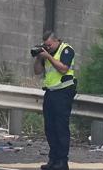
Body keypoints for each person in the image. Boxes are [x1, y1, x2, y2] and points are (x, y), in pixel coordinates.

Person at [33, 31, 77, 170]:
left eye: (49, 45)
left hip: (63, 92)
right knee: (50, 128)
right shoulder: (47, 53)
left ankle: (62, 162)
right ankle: (53, 160)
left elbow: (64, 69)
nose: (48, 47)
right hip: (50, 92)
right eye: (45, 45)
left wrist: (48, 57)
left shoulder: (66, 50)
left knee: (61, 128)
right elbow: (37, 71)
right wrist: (39, 58)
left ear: (56, 40)